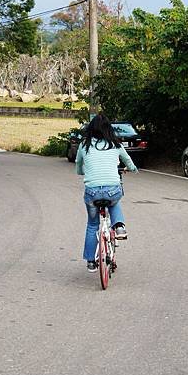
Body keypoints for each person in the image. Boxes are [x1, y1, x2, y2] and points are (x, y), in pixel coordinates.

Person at [75, 113, 138, 273]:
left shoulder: (84, 144)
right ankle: (119, 227)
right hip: (112, 189)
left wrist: (82, 171)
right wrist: (133, 169)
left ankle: (90, 261)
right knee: (115, 200)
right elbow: (128, 160)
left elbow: (78, 165)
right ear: (108, 129)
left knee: (92, 225)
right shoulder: (115, 143)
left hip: (92, 193)